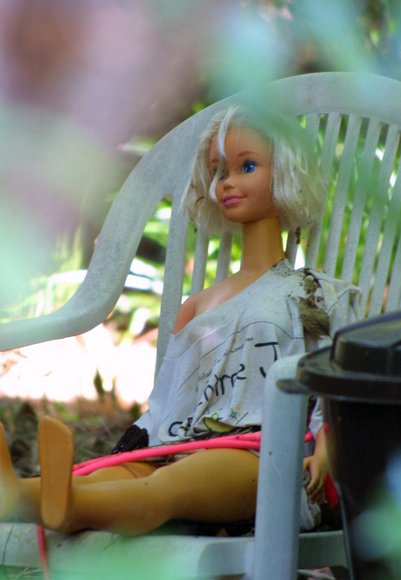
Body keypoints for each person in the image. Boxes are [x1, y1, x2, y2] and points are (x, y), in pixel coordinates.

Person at [0, 104, 360, 536]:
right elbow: (169, 404)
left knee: (164, 490)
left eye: (246, 166)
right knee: (110, 478)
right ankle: (28, 495)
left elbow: (338, 390)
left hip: (261, 456)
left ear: (287, 174)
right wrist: (137, 450)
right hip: (175, 446)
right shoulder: (197, 306)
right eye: (218, 171)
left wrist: (326, 450)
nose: (227, 182)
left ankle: (54, 503)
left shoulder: (316, 295)